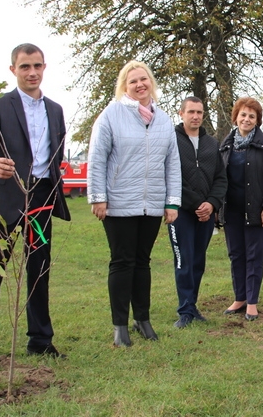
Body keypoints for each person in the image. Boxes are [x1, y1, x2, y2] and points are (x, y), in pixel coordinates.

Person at [0, 43, 70, 371]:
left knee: (39, 271)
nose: (32, 72)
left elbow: (57, 151)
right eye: (25, 67)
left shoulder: (54, 109)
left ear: (44, 67)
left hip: (40, 201)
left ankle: (40, 340)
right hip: (5, 201)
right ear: (13, 70)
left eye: (37, 66)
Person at [87, 61, 181, 347]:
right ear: (124, 87)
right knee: (122, 262)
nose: (139, 85)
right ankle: (120, 326)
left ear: (151, 82)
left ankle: (143, 319)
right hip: (118, 203)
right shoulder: (112, 114)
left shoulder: (163, 120)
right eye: (133, 82)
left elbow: (172, 164)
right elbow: (97, 157)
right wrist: (98, 196)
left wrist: (172, 202)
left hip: (152, 204)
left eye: (144, 79)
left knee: (143, 263)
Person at [219, 97, 263, 321]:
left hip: (257, 211)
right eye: (243, 115)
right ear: (236, 117)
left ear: (258, 120)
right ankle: (240, 298)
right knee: (236, 254)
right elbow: (220, 178)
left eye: (251, 116)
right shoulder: (225, 144)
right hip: (232, 210)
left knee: (254, 255)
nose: (246, 119)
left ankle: (252, 302)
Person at [168, 97, 227, 329]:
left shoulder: (212, 144)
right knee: (184, 260)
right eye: (191, 112)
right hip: (181, 212)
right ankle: (185, 310)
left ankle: (192, 306)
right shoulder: (171, 140)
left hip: (206, 213)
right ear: (181, 113)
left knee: (198, 261)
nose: (196, 116)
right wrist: (196, 203)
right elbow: (171, 178)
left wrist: (211, 204)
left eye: (199, 112)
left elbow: (221, 178)